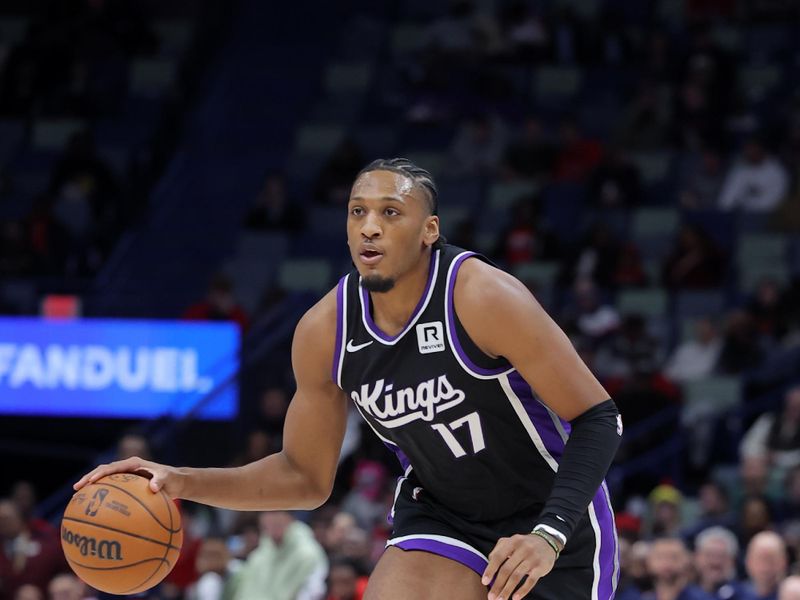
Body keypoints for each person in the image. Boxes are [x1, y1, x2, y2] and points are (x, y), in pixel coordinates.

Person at [75, 158, 622, 600]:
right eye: (357, 211)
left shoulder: (480, 296)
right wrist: (182, 481)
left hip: (549, 513)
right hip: (442, 511)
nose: (370, 226)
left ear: (430, 230)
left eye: (390, 211)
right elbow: (304, 477)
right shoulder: (324, 331)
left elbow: (599, 417)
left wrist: (549, 535)